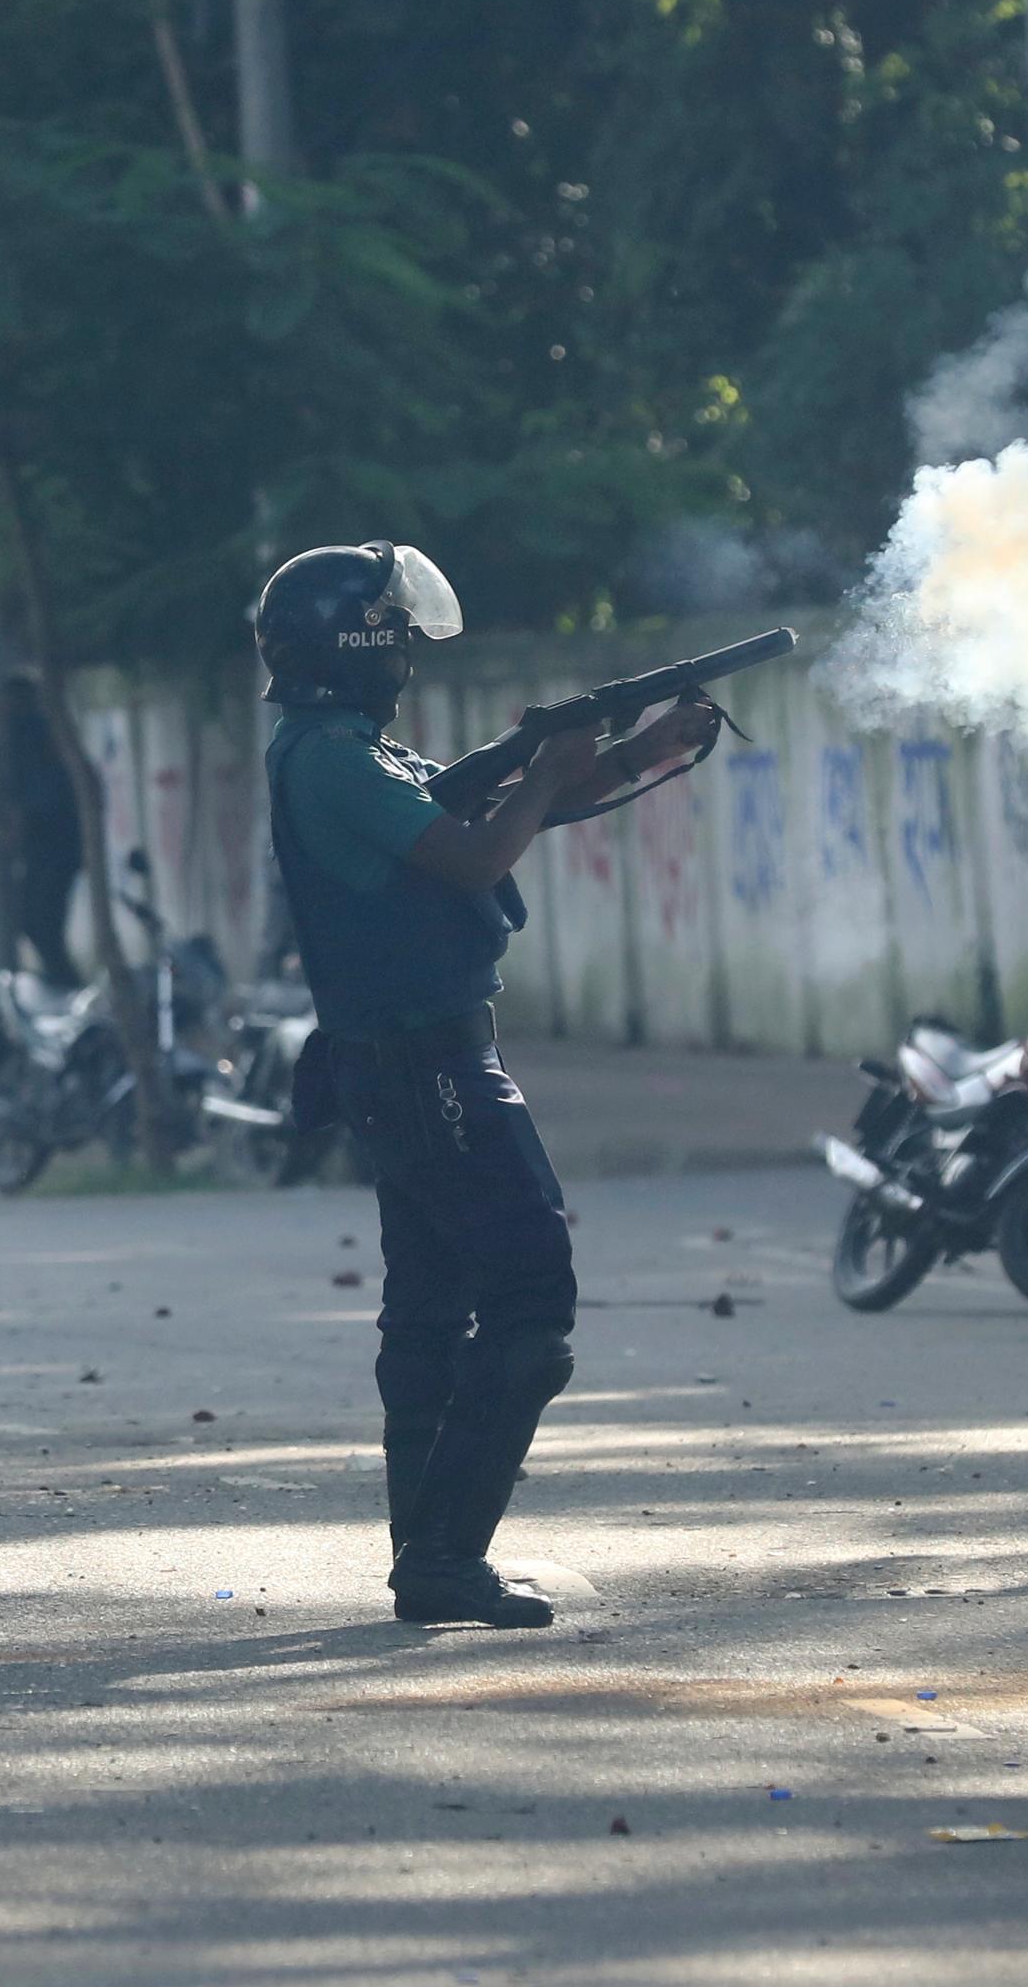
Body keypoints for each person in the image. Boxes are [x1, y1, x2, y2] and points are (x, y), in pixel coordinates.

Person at [255, 541, 720, 1629]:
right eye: (395, 630)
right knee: (528, 1300)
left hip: (412, 1062)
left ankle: (431, 1549)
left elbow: (506, 817)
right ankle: (447, 1553)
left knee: (428, 1308)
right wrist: (550, 764)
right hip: (429, 1064)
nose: (409, 649)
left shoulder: (346, 751)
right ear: (360, 641)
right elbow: (474, 858)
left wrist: (640, 751)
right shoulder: (331, 759)